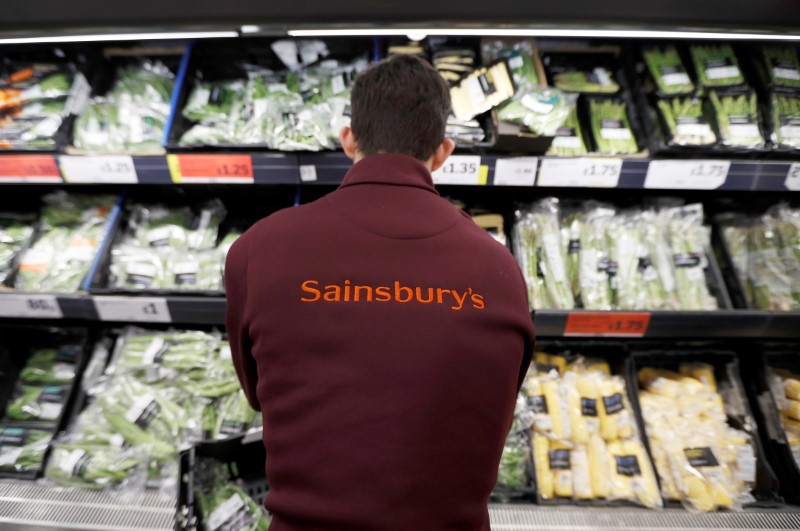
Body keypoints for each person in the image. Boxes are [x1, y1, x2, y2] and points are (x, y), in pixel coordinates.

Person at [225, 54, 535, 531]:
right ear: (443, 152)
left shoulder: (257, 250)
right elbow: (492, 409)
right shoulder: (500, 270)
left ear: (348, 140)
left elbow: (261, 392)